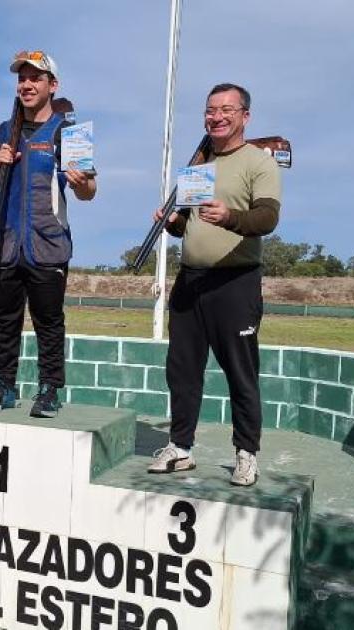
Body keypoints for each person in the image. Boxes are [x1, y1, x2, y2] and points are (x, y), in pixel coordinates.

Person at [146, 83, 282, 486]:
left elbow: (267, 219)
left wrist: (231, 216)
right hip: (190, 279)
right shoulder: (198, 165)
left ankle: (246, 453)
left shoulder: (259, 162)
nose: (216, 116)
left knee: (240, 371)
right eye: (210, 109)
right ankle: (180, 448)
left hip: (235, 281)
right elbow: (190, 225)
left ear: (245, 116)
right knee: (182, 370)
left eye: (226, 109)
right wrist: (173, 223)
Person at [0, 50, 96, 418]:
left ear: (51, 85)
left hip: (48, 244)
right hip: (7, 244)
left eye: (35, 78)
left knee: (49, 322)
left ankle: (49, 390)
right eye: (22, 78)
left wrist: (82, 182)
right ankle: (4, 386)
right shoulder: (2, 131)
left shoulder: (68, 132)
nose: (26, 84)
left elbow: (90, 191)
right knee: (6, 321)